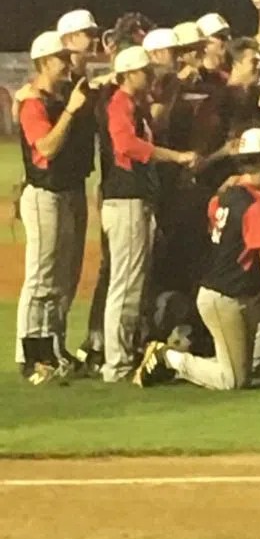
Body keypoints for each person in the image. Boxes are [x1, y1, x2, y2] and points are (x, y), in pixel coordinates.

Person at [133, 128, 260, 390]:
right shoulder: (257, 204)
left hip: (241, 291)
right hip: (226, 298)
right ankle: (169, 357)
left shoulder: (225, 196)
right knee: (232, 380)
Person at [99, 45, 197, 383]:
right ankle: (116, 364)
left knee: (133, 283)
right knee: (126, 285)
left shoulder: (134, 105)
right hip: (125, 201)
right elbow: (127, 146)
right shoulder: (119, 104)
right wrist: (176, 156)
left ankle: (123, 356)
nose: (150, 75)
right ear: (128, 75)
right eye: (144, 71)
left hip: (135, 200)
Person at [15, 32, 91, 382]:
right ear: (45, 62)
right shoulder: (34, 103)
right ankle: (32, 356)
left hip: (67, 192)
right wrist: (71, 111)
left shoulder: (59, 96)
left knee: (61, 279)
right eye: (61, 57)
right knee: (42, 278)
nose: (67, 61)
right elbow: (46, 147)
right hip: (45, 195)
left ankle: (54, 349)